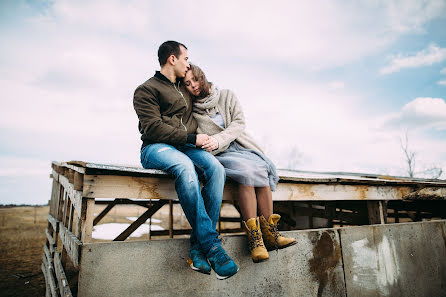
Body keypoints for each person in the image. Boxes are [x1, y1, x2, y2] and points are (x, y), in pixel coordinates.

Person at [133, 41, 238, 279]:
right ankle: (213, 246)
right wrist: (193, 137)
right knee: (185, 167)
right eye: (185, 58)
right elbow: (152, 128)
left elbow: (205, 91)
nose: (187, 63)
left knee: (216, 169)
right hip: (156, 148)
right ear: (172, 59)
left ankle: (197, 250)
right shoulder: (146, 90)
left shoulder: (183, 86)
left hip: (186, 146)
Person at [183, 63, 297, 263]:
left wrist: (220, 137)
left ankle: (271, 234)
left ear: (202, 76)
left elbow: (239, 123)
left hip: (241, 146)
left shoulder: (226, 95)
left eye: (195, 79)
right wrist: (215, 143)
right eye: (187, 83)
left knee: (262, 167)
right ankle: (255, 240)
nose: (193, 85)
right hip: (220, 153)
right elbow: (197, 136)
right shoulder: (192, 110)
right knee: (246, 172)